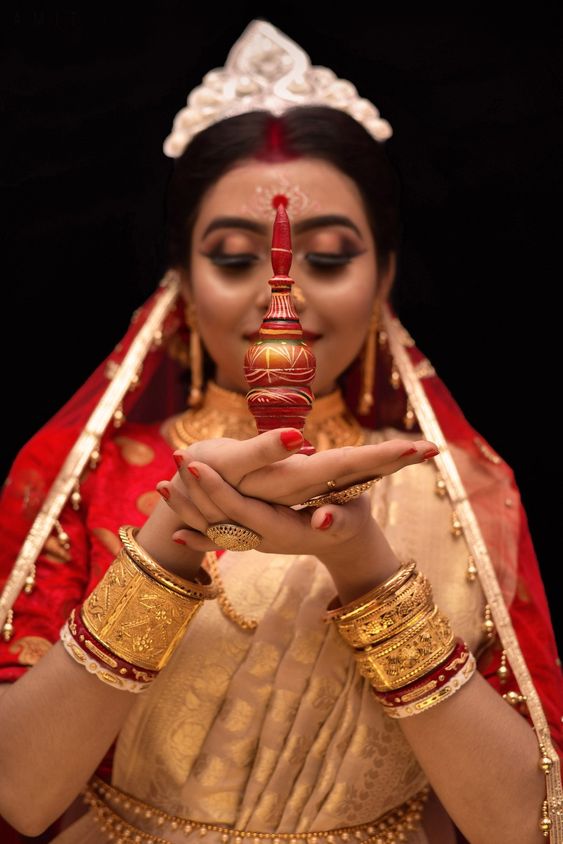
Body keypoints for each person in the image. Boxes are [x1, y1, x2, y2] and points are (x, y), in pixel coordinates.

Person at [0, 18, 561, 844]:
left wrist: (363, 563)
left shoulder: (459, 491)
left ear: (386, 277)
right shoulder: (84, 478)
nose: (282, 294)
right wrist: (177, 528)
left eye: (328, 258)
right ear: (182, 282)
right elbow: (19, 793)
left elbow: (525, 823)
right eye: (232, 259)